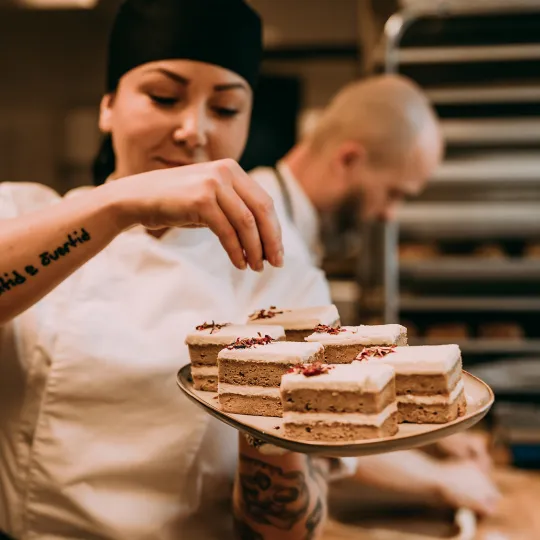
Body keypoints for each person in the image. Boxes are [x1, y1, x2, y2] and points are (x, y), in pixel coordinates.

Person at [0, 1, 331, 539]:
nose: (193, 130)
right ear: (107, 107)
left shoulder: (274, 272)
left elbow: (289, 530)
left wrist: (272, 420)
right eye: (163, 97)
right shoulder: (20, 213)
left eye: (225, 109)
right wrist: (120, 204)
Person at [249, 75, 500, 517]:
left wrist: (429, 424)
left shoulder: (274, 212)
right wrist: (439, 480)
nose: (388, 214)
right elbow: (312, 419)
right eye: (394, 193)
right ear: (349, 159)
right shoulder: (272, 246)